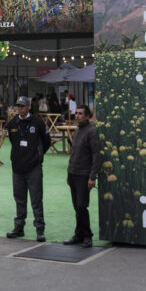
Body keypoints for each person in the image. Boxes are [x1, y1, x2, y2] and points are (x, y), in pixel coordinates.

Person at [5, 96, 51, 242]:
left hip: (34, 168)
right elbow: (13, 141)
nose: (20, 108)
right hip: (17, 168)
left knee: (36, 200)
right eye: (18, 106)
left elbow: (47, 141)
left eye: (23, 106)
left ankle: (40, 230)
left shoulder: (38, 122)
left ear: (29, 106)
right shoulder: (12, 123)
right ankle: (19, 228)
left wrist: (37, 156)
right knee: (19, 199)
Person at [64, 105, 101, 247]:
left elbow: (96, 155)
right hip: (73, 173)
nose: (77, 115)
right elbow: (74, 153)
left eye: (80, 113)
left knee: (81, 206)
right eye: (76, 113)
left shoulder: (92, 131)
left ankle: (87, 236)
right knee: (77, 207)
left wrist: (92, 177)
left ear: (87, 116)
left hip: (84, 175)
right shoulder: (78, 129)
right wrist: (69, 173)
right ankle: (79, 234)